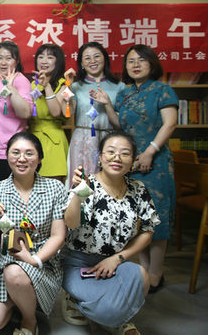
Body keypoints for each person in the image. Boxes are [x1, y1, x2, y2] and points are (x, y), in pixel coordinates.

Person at [94, 44, 178, 292]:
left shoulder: (163, 90)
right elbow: (120, 125)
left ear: (152, 63)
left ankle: (156, 274)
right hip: (130, 161)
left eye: (141, 60)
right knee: (138, 218)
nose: (136, 65)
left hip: (156, 162)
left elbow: (170, 124)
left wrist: (150, 151)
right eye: (131, 61)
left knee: (157, 219)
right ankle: (144, 269)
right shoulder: (125, 93)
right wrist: (107, 104)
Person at [62, 131, 159, 334]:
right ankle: (78, 301)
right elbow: (70, 223)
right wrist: (79, 193)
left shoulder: (138, 189)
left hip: (115, 263)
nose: (117, 158)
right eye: (111, 152)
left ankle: (111, 315)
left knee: (142, 277)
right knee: (108, 308)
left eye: (125, 153)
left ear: (132, 160)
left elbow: (148, 231)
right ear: (100, 157)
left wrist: (117, 258)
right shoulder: (87, 184)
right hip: (79, 265)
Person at [0, 132, 67, 335]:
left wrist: (34, 260)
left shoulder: (55, 188)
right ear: (7, 156)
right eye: (15, 153)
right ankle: (19, 301)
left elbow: (58, 236)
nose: (21, 159)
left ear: (39, 158)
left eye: (29, 153)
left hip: (43, 263)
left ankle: (29, 319)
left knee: (15, 274)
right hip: (5, 263)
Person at [65, 42, 125, 187]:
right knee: (81, 185)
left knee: (109, 184)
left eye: (97, 56)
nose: (92, 61)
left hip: (109, 139)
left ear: (105, 59)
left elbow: (122, 122)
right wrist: (67, 86)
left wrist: (107, 103)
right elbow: (68, 113)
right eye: (87, 58)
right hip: (82, 140)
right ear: (81, 63)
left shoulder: (119, 86)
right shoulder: (76, 86)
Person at [0, 41, 33, 186]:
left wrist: (11, 89)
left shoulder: (21, 81)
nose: (3, 62)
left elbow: (25, 113)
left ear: (16, 61)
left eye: (8, 58)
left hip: (13, 150)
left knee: (14, 191)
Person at [28, 43, 68, 181]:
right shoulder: (32, 84)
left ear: (57, 62)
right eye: (40, 57)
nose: (44, 61)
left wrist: (47, 86)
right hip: (32, 139)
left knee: (52, 186)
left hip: (53, 141)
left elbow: (56, 112)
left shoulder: (65, 85)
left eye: (50, 57)